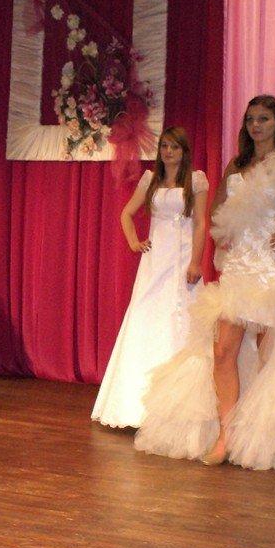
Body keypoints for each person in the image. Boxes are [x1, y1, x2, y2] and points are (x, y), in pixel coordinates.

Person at [136, 96, 275, 468]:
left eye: (264, 118)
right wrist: (225, 233)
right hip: (239, 269)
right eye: (251, 119)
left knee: (269, 357)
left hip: (272, 270)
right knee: (222, 353)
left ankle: (264, 440)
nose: (256, 125)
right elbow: (216, 212)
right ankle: (225, 436)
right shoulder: (236, 165)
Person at [92, 126, 209, 429]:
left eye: (175, 147)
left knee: (181, 319)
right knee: (146, 316)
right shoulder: (150, 180)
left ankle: (180, 408)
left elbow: (200, 223)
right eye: (165, 146)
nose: (169, 152)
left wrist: (196, 261)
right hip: (155, 260)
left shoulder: (196, 180)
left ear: (184, 151)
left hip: (182, 259)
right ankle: (135, 406)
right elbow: (126, 214)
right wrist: (134, 242)